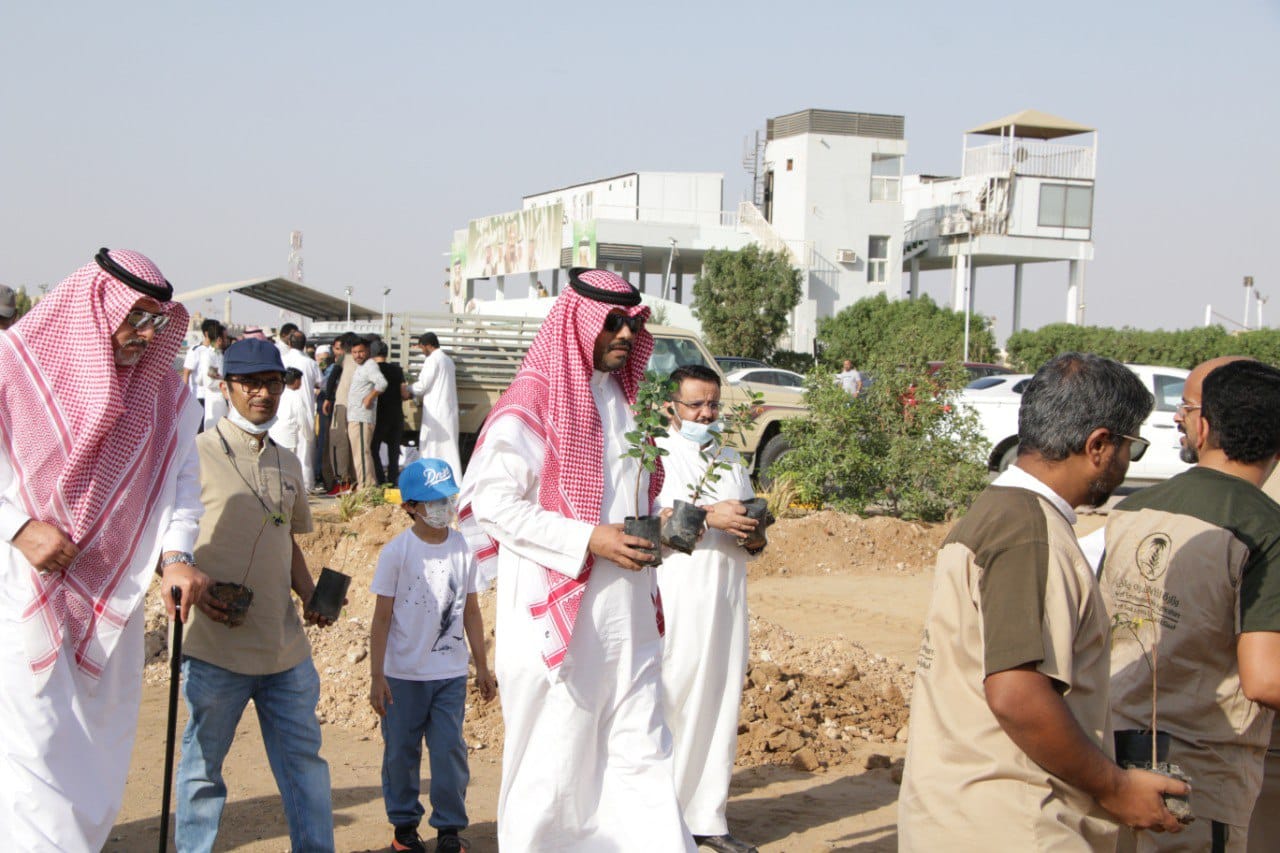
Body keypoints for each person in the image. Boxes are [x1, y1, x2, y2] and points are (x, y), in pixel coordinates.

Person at [898, 352, 1188, 851]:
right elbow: (1017, 694)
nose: (1126, 464)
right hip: (1014, 824)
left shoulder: (999, 511)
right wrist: (1116, 788)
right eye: (1130, 448)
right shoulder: (1031, 533)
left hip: (959, 811)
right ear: (1099, 445)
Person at [458, 267, 693, 850]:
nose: (622, 334)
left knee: (640, 754)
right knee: (555, 772)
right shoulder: (531, 402)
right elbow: (491, 504)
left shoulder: (625, 400)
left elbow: (634, 492)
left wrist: (658, 520)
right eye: (610, 322)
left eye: (630, 324)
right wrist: (588, 538)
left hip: (628, 616)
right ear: (576, 323)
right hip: (556, 619)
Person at [0, 248, 209, 851]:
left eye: (156, 323)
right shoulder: (14, 368)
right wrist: (18, 527)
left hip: (108, 597)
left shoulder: (167, 396)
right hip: (20, 593)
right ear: (94, 305)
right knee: (32, 753)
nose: (145, 336)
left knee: (95, 757)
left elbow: (182, 481)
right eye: (135, 318)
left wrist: (176, 553)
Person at [1098, 357, 1280, 851]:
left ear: (1202, 426)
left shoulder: (1133, 508)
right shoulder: (1266, 529)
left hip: (1114, 758)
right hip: (1199, 782)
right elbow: (1264, 679)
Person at [176, 338, 337, 852]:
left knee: (305, 769)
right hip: (217, 649)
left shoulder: (288, 462)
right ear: (225, 387)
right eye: (250, 383)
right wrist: (191, 587)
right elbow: (168, 540)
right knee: (203, 771)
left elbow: (284, 537)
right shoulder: (193, 456)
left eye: (271, 382)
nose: (262, 394)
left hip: (284, 651)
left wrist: (311, 593)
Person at [656, 364, 762, 853]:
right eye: (696, 404)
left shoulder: (728, 456)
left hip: (728, 594)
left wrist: (753, 530)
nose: (706, 413)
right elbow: (660, 521)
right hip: (682, 593)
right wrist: (713, 516)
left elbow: (748, 521)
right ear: (670, 406)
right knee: (675, 694)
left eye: (713, 404)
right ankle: (661, 816)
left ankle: (708, 817)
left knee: (721, 697)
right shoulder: (658, 454)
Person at [369, 458, 497, 853]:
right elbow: (382, 618)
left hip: (449, 675)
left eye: (447, 498)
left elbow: (471, 610)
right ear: (410, 506)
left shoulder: (462, 547)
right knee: (401, 754)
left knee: (448, 752)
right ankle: (405, 827)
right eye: (433, 501)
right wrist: (377, 677)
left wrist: (482, 666)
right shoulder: (397, 553)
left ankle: (448, 830)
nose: (443, 507)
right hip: (403, 677)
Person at [411, 332, 461, 480]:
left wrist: (407, 389)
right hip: (447, 410)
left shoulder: (432, 360)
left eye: (422, 348)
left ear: (427, 345)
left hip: (436, 410)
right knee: (448, 448)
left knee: (432, 445)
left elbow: (422, 385)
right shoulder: (447, 360)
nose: (422, 351)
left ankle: (431, 478)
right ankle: (453, 479)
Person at [347, 336, 388, 490]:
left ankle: (367, 489)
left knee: (362, 454)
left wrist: (370, 397)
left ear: (368, 351)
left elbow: (382, 383)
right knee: (359, 455)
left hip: (362, 417)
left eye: (361, 352)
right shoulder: (361, 367)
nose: (357, 355)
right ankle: (364, 485)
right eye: (354, 352)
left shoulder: (370, 365)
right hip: (355, 416)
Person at [269, 367, 316, 490]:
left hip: (273, 435)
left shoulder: (277, 392)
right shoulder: (295, 396)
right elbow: (302, 419)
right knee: (286, 468)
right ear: (296, 381)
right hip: (288, 438)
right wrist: (309, 436)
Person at [323, 332, 358, 494]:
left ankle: (342, 480)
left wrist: (328, 398)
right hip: (358, 407)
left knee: (338, 442)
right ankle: (354, 481)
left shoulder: (344, 359)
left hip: (342, 405)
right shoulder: (363, 361)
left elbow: (332, 379)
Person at [372, 340, 410, 486]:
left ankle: (381, 479)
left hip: (380, 415)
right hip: (396, 415)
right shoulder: (397, 370)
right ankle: (393, 479)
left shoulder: (373, 370)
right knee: (393, 450)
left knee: (373, 447)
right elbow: (404, 394)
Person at [197, 322, 229, 430]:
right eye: (225, 338)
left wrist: (220, 377)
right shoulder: (209, 355)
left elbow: (201, 379)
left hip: (221, 400)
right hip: (215, 401)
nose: (227, 340)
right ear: (219, 339)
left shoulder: (219, 354)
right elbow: (209, 382)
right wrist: (226, 381)